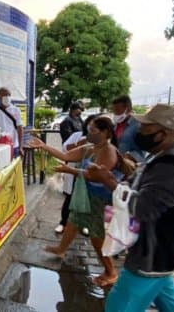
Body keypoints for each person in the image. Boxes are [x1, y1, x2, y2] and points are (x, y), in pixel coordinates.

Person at [87, 104, 174, 312]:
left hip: (153, 253)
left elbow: (142, 208)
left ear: (163, 133)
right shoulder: (163, 158)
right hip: (162, 252)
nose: (139, 132)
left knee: (118, 306)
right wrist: (117, 179)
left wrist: (109, 182)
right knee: (169, 299)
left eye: (146, 128)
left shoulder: (171, 167)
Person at [30, 116, 121, 287]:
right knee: (73, 221)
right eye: (89, 130)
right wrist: (43, 146)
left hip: (102, 199)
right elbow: (65, 155)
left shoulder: (109, 151)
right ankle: (61, 249)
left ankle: (110, 272)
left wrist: (68, 170)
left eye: (93, 131)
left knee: (96, 237)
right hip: (87, 195)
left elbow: (95, 175)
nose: (89, 133)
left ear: (106, 133)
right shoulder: (89, 148)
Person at [54, 114, 99, 234]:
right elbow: (65, 149)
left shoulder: (103, 144)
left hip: (89, 176)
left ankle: (83, 224)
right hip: (74, 171)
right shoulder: (77, 136)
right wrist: (79, 145)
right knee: (69, 198)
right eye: (91, 124)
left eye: (95, 126)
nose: (92, 128)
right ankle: (63, 222)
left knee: (86, 200)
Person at [0, 87, 24, 157]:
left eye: (9, 95)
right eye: (4, 95)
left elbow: (20, 128)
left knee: (12, 165)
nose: (7, 97)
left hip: (13, 145)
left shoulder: (16, 110)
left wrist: (20, 147)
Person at [110, 95, 143, 161]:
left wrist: (129, 157)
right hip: (116, 163)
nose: (115, 113)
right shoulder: (116, 125)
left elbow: (143, 150)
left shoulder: (138, 125)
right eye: (113, 110)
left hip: (130, 167)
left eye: (117, 110)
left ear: (128, 109)